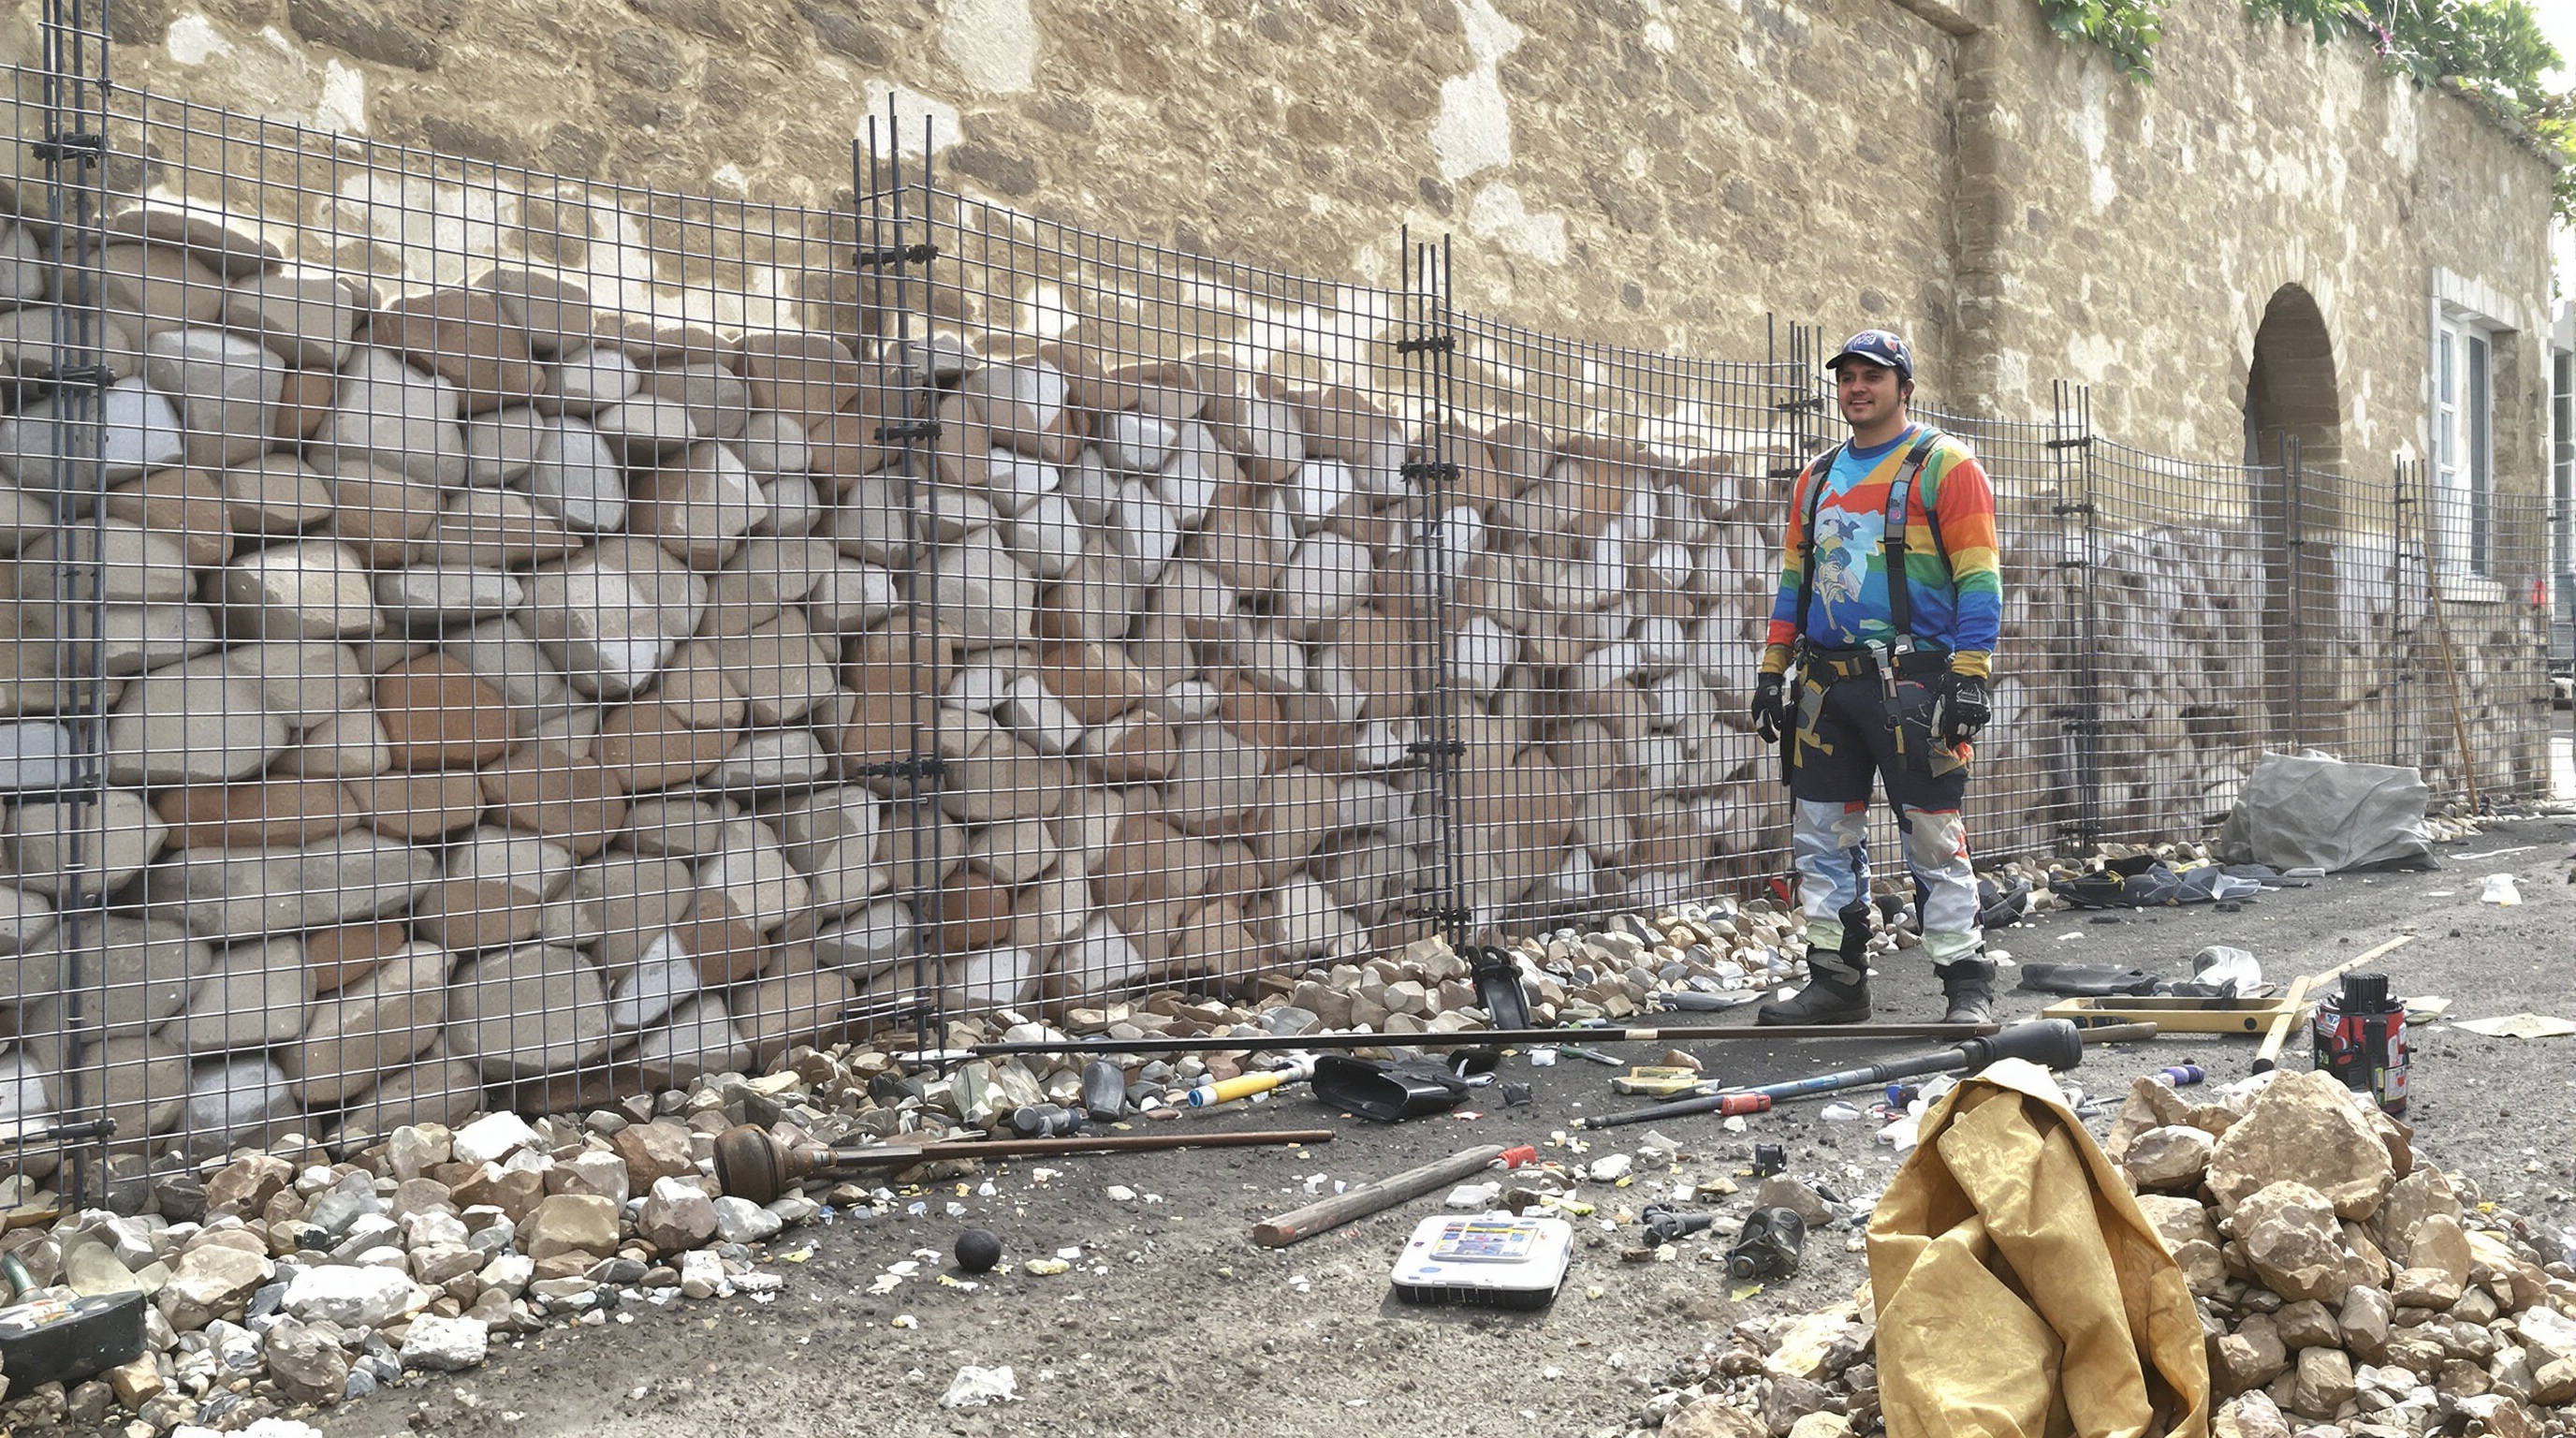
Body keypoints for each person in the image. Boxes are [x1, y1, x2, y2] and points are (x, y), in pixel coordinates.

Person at [1747, 330, 2004, 1025]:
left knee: (1933, 837)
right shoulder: (1816, 477)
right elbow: (1796, 579)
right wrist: (1773, 669)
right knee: (1821, 838)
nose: (1857, 388)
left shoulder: (1946, 465)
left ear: (1904, 388)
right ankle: (1837, 982)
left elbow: (1979, 577)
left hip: (1914, 685)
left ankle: (1967, 988)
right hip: (1825, 689)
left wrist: (1970, 675)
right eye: (1847, 377)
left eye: (1873, 376)